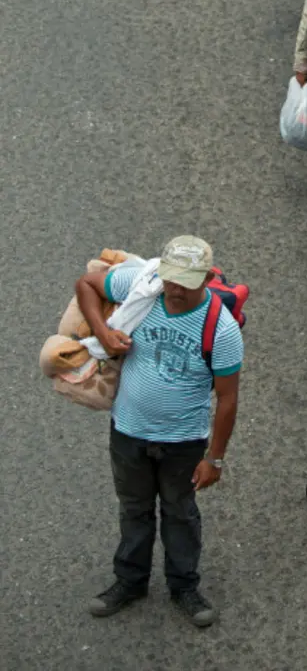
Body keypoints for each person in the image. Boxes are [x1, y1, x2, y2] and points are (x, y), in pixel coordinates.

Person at [75, 236, 243, 627]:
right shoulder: (143, 285)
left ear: (207, 278)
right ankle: (129, 581)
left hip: (184, 442)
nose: (175, 289)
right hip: (128, 431)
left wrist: (215, 459)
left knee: (179, 512)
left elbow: (228, 399)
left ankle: (184, 586)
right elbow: (86, 284)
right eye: (170, 279)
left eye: (186, 282)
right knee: (133, 509)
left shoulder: (221, 329)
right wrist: (102, 331)